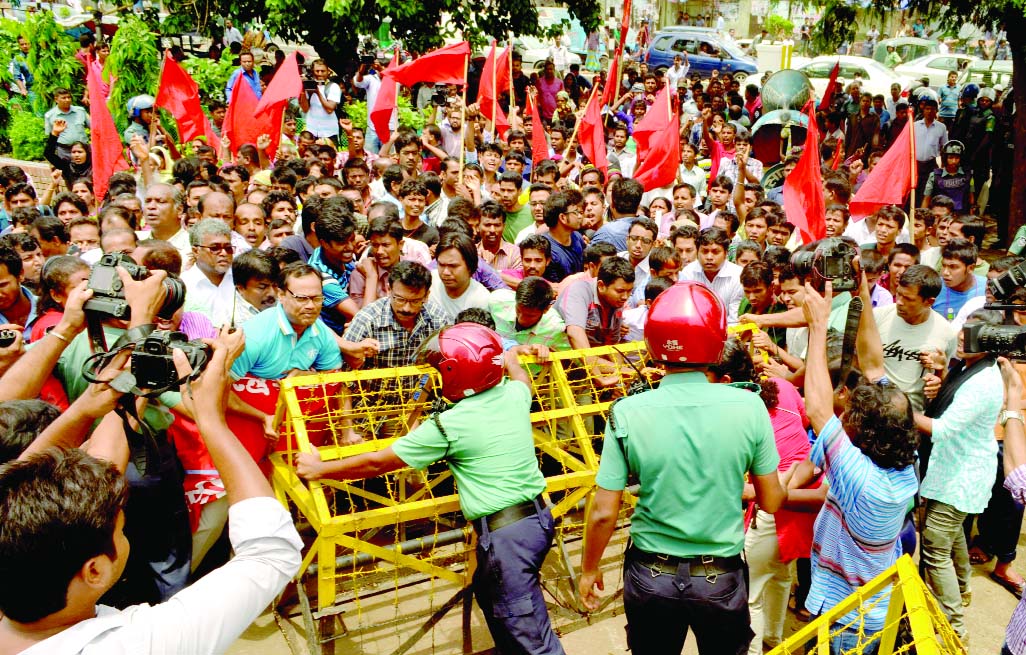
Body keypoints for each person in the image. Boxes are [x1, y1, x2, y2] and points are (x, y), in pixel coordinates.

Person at [0, 327, 303, 653]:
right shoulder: (142, 643)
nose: (122, 530)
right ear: (95, 570)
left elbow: (97, 463)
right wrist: (212, 419)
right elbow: (271, 553)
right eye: (120, 528)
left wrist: (95, 404)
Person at [299, 322, 566, 654]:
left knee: (529, 633)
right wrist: (510, 358)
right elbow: (522, 378)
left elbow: (377, 463)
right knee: (490, 593)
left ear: (456, 374)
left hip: (506, 536)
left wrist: (321, 468)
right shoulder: (513, 395)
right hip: (538, 520)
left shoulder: (448, 425)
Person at [579, 281, 785, 654]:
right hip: (720, 577)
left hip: (650, 576)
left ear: (654, 345)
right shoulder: (749, 406)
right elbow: (772, 501)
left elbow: (603, 514)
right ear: (716, 340)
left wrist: (590, 568)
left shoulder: (626, 412)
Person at [800, 279, 919, 652]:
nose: (844, 411)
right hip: (867, 606)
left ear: (863, 433)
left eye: (850, 413)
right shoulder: (903, 461)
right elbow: (873, 364)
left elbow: (818, 409)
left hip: (849, 620)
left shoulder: (863, 482)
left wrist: (818, 327)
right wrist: (863, 294)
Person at [914, 310, 1003, 639]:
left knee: (935, 547)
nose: (961, 339)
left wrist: (901, 408)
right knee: (951, 535)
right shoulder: (970, 366)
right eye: (963, 333)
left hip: (961, 476)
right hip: (954, 469)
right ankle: (963, 590)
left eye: (971, 335)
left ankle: (954, 629)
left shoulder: (981, 382)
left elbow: (943, 429)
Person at [230, 262, 343, 380]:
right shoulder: (255, 336)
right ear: (281, 295)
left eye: (317, 298)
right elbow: (223, 383)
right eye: (301, 298)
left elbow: (336, 380)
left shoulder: (321, 332)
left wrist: (309, 377)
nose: (311, 306)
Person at [875, 265, 956, 413]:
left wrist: (939, 376)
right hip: (875, 408)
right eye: (899, 294)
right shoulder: (878, 317)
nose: (899, 301)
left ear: (929, 302)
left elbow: (943, 381)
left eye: (908, 299)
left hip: (914, 417)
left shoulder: (946, 333)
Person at [679, 227, 744, 325]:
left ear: (726, 253)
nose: (709, 257)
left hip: (729, 334)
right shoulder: (688, 273)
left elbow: (734, 320)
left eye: (715, 252)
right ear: (697, 252)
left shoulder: (738, 276)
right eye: (704, 251)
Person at [182, 219, 236, 322]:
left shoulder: (241, 279)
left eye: (228, 248)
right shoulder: (184, 285)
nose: (224, 253)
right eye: (215, 248)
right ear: (196, 251)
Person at [429, 232, 490, 317]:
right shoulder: (429, 282)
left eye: (453, 266)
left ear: (470, 266)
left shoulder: (481, 300)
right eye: (441, 265)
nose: (445, 272)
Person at [43, 88, 90, 162]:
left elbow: (93, 128)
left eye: (69, 97)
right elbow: (50, 136)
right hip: (64, 151)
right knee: (67, 171)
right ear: (56, 99)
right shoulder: (50, 116)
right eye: (64, 98)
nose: (67, 100)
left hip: (82, 150)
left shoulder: (80, 111)